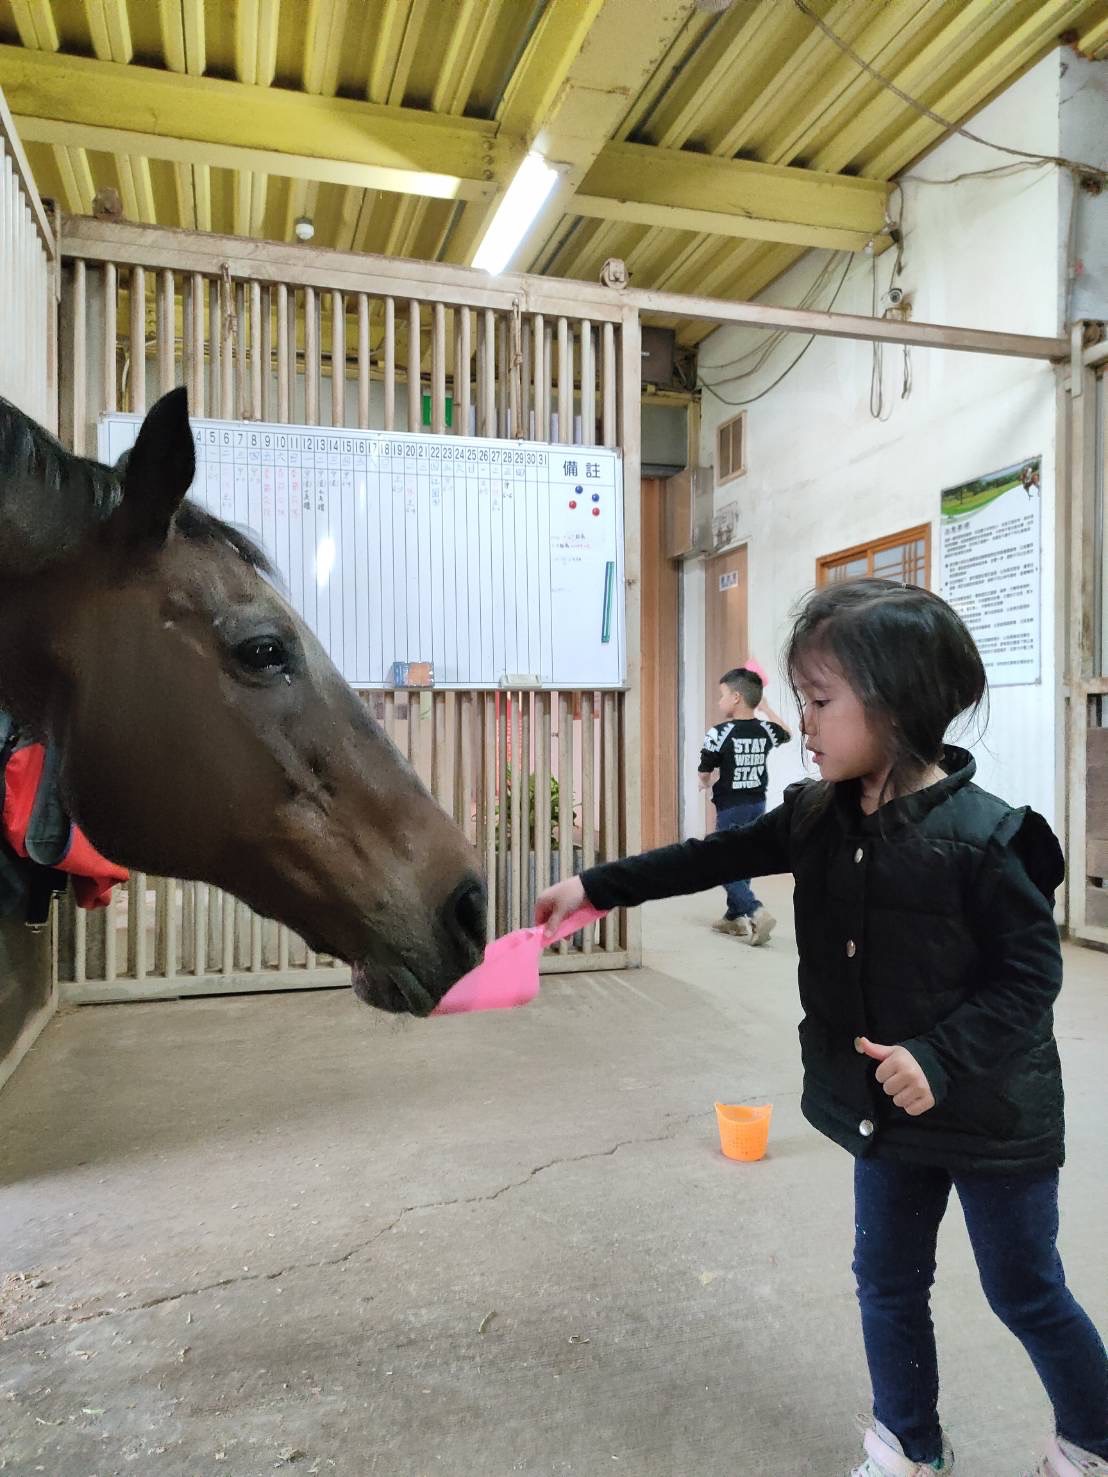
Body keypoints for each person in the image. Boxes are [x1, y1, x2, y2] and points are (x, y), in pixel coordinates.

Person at [536, 578, 1108, 1477]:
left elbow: (1032, 976)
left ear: (896, 704)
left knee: (1024, 1289)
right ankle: (908, 1442)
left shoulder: (987, 838)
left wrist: (940, 1055)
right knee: (887, 1281)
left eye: (820, 700)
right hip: (888, 1111)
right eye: (801, 698)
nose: (801, 722)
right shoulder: (813, 816)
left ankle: (1093, 1436)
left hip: (996, 1113)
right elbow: (712, 855)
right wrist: (595, 886)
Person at [698, 665, 791, 944]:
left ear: (736, 697)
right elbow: (786, 732)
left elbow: (705, 769)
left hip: (731, 806)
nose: (720, 701)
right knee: (744, 857)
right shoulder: (765, 730)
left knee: (721, 860)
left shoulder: (719, 732)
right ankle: (734, 917)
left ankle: (754, 910)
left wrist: (704, 781)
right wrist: (767, 709)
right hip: (757, 804)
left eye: (723, 695)